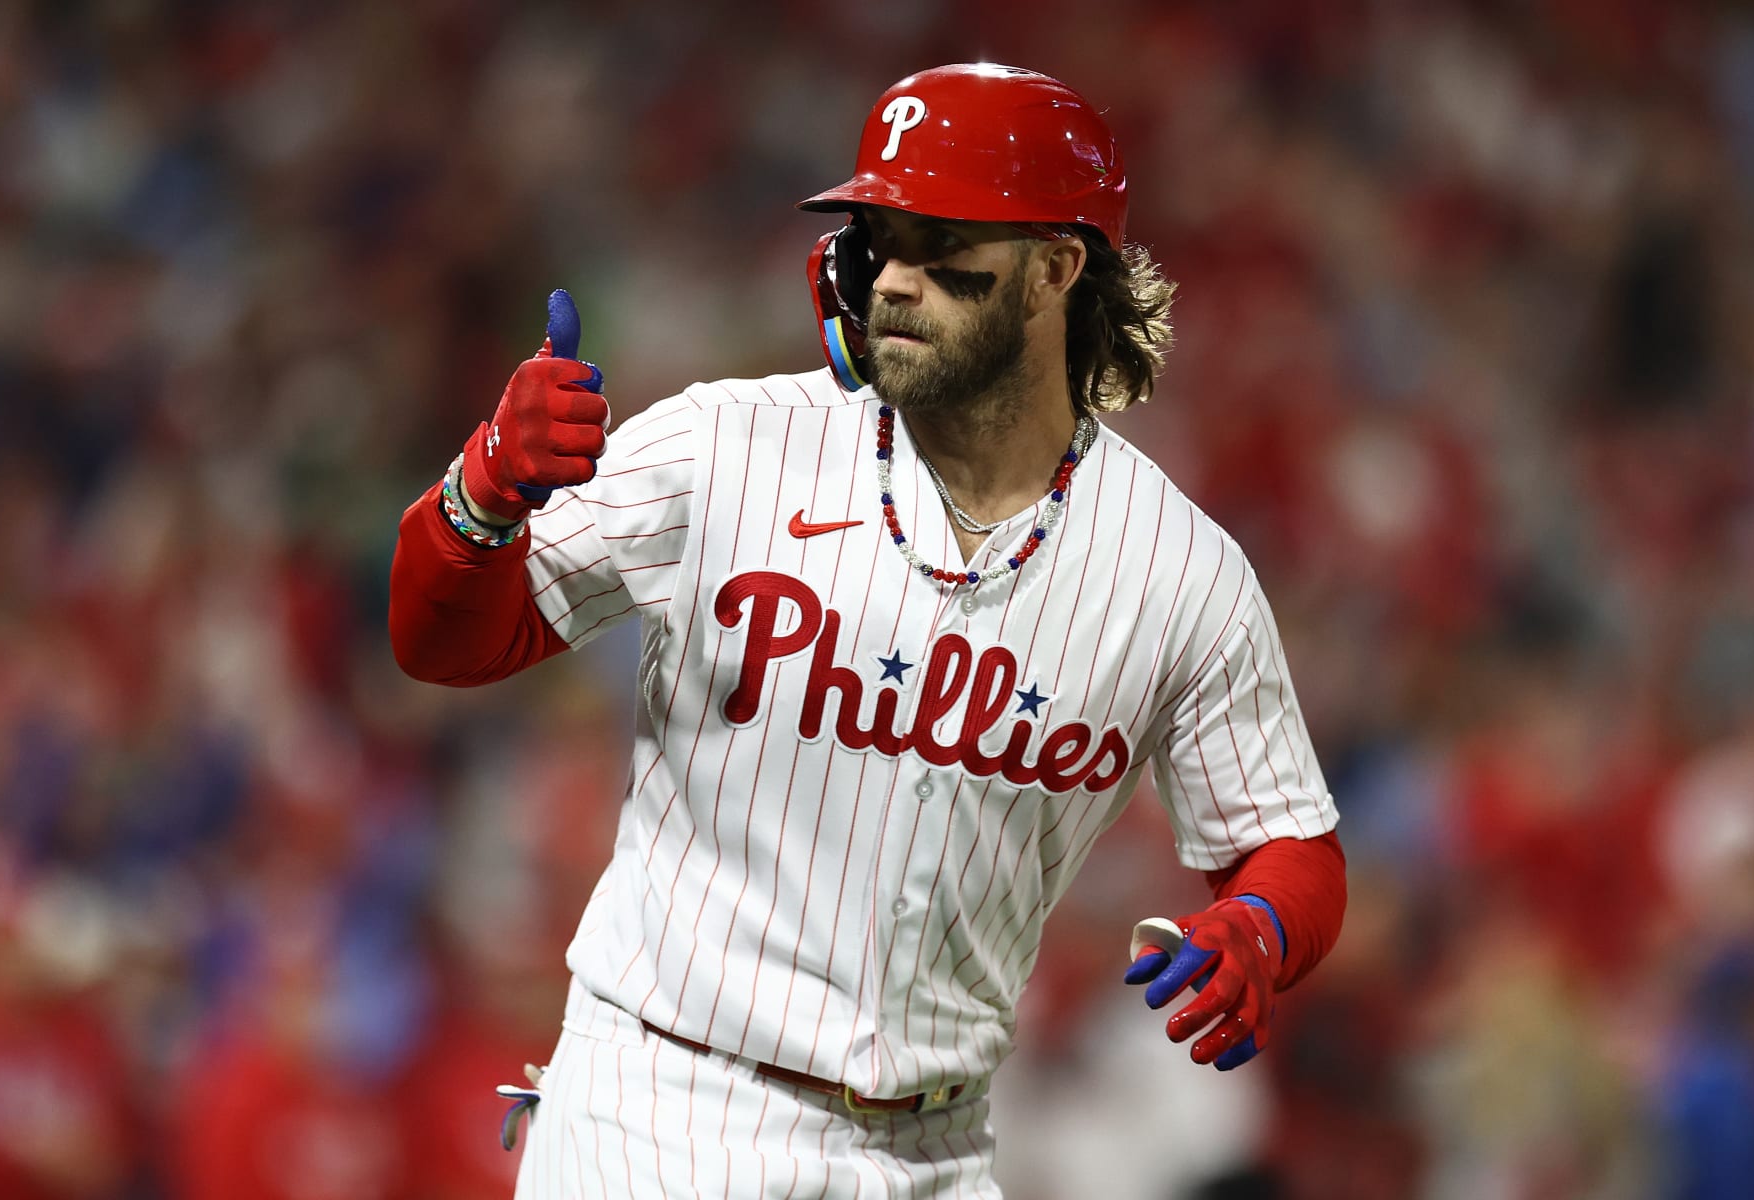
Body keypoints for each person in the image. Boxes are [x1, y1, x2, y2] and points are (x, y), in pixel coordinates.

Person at [390, 62, 1346, 1199]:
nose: (892, 280)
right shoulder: (724, 447)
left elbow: (1289, 842)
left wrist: (1258, 929)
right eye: (878, 241)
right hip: (660, 1109)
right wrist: (481, 496)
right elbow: (444, 643)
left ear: (1056, 268)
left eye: (941, 246)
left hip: (936, 1148)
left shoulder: (1180, 571)